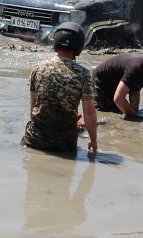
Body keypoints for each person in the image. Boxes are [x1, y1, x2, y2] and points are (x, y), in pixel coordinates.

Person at [22, 22, 98, 155]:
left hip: (34, 141)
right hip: (65, 146)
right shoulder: (83, 74)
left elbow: (33, 105)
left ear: (56, 41)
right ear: (79, 46)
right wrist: (93, 141)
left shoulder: (38, 68)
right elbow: (89, 113)